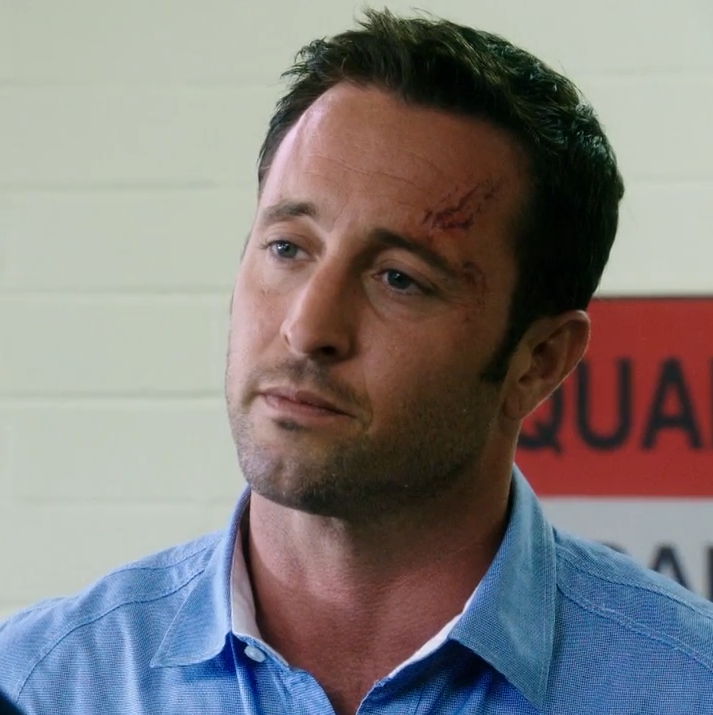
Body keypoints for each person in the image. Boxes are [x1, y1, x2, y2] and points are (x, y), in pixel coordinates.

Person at [1, 9, 712, 715]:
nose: (307, 328)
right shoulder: (42, 684)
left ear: (539, 361)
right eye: (288, 247)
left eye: (399, 278)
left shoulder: (688, 685)